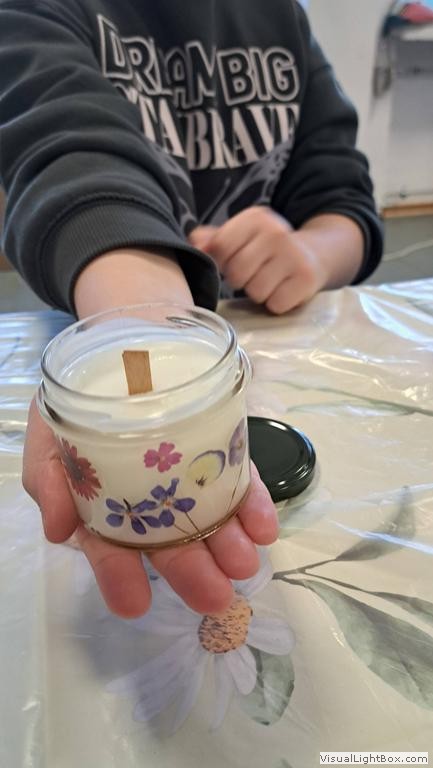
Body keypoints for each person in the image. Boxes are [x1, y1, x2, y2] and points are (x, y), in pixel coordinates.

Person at [0, 0, 383, 618]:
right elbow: (70, 158)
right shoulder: (37, 9)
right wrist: (141, 314)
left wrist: (313, 252)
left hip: (266, 346)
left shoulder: (282, 16)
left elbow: (346, 199)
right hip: (109, 309)